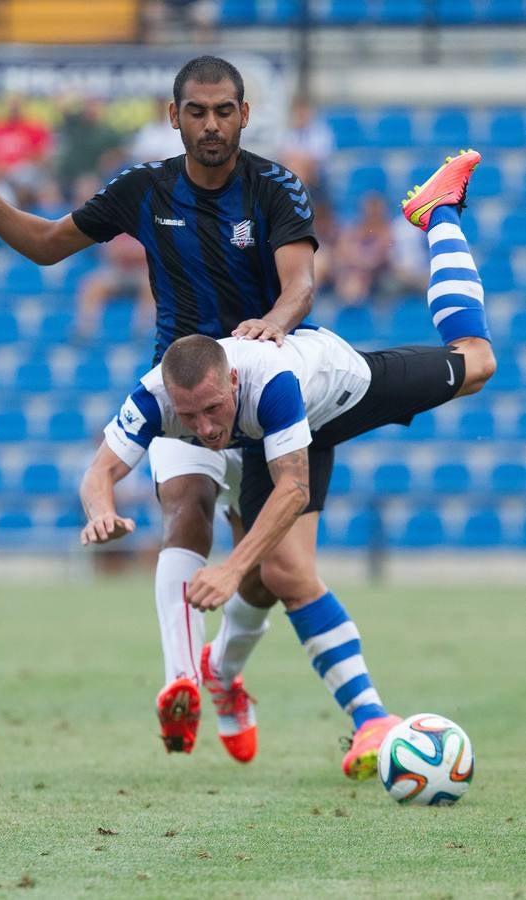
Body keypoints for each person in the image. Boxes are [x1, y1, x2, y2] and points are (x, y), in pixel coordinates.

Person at [0, 56, 318, 764]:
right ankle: (179, 685)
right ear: (174, 117)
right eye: (195, 111)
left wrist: (273, 321)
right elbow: (48, 245)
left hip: (259, 391)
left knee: (264, 573)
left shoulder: (273, 186)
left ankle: (223, 677)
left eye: (222, 110)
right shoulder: (144, 189)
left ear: (242, 115)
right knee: (186, 507)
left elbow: (301, 282)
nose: (209, 124)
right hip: (183, 387)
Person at [79, 150, 495, 779]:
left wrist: (229, 565)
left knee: (478, 365)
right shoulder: (161, 392)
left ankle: (438, 214)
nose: (205, 429)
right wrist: (101, 510)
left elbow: (291, 488)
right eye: (191, 420)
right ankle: (370, 722)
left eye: (214, 410)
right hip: (275, 437)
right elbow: (100, 470)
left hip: (336, 395)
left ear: (231, 383)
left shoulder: (269, 384)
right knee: (285, 570)